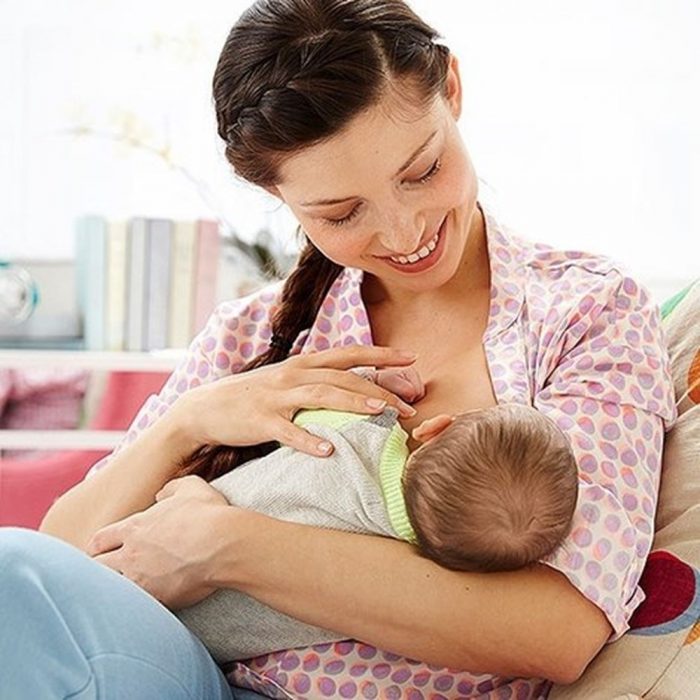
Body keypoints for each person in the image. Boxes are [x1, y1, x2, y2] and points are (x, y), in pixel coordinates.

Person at [0, 0, 676, 697]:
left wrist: (228, 547)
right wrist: (188, 423)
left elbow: (557, 630)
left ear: (452, 90)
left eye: (421, 170)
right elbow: (57, 565)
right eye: (342, 212)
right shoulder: (252, 336)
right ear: (277, 195)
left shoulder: (584, 312)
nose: (404, 229)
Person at [176, 398, 579, 664]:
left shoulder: (358, 437)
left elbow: (300, 414)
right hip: (200, 647)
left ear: (433, 428)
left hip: (169, 535)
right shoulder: (379, 587)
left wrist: (377, 389)